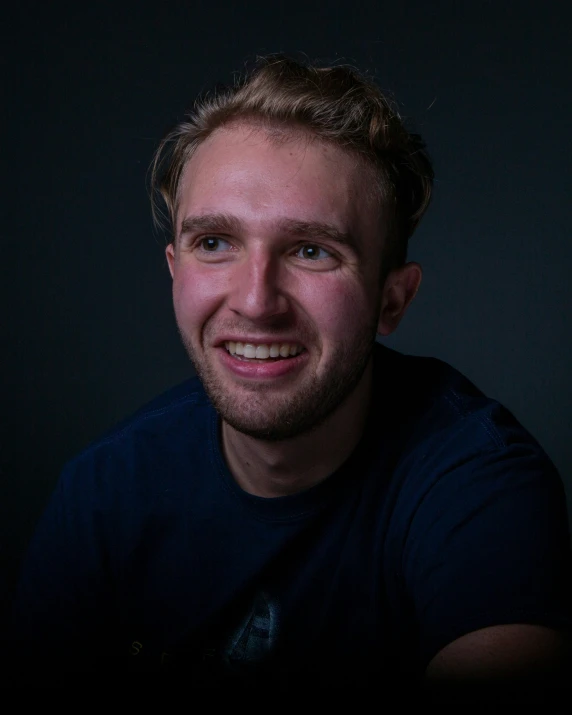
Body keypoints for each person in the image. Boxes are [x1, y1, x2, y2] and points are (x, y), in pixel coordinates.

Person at [8, 54, 572, 699]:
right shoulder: (104, 494)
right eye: (215, 242)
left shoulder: (478, 482)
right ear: (174, 269)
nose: (255, 301)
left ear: (393, 300)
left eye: (311, 250)